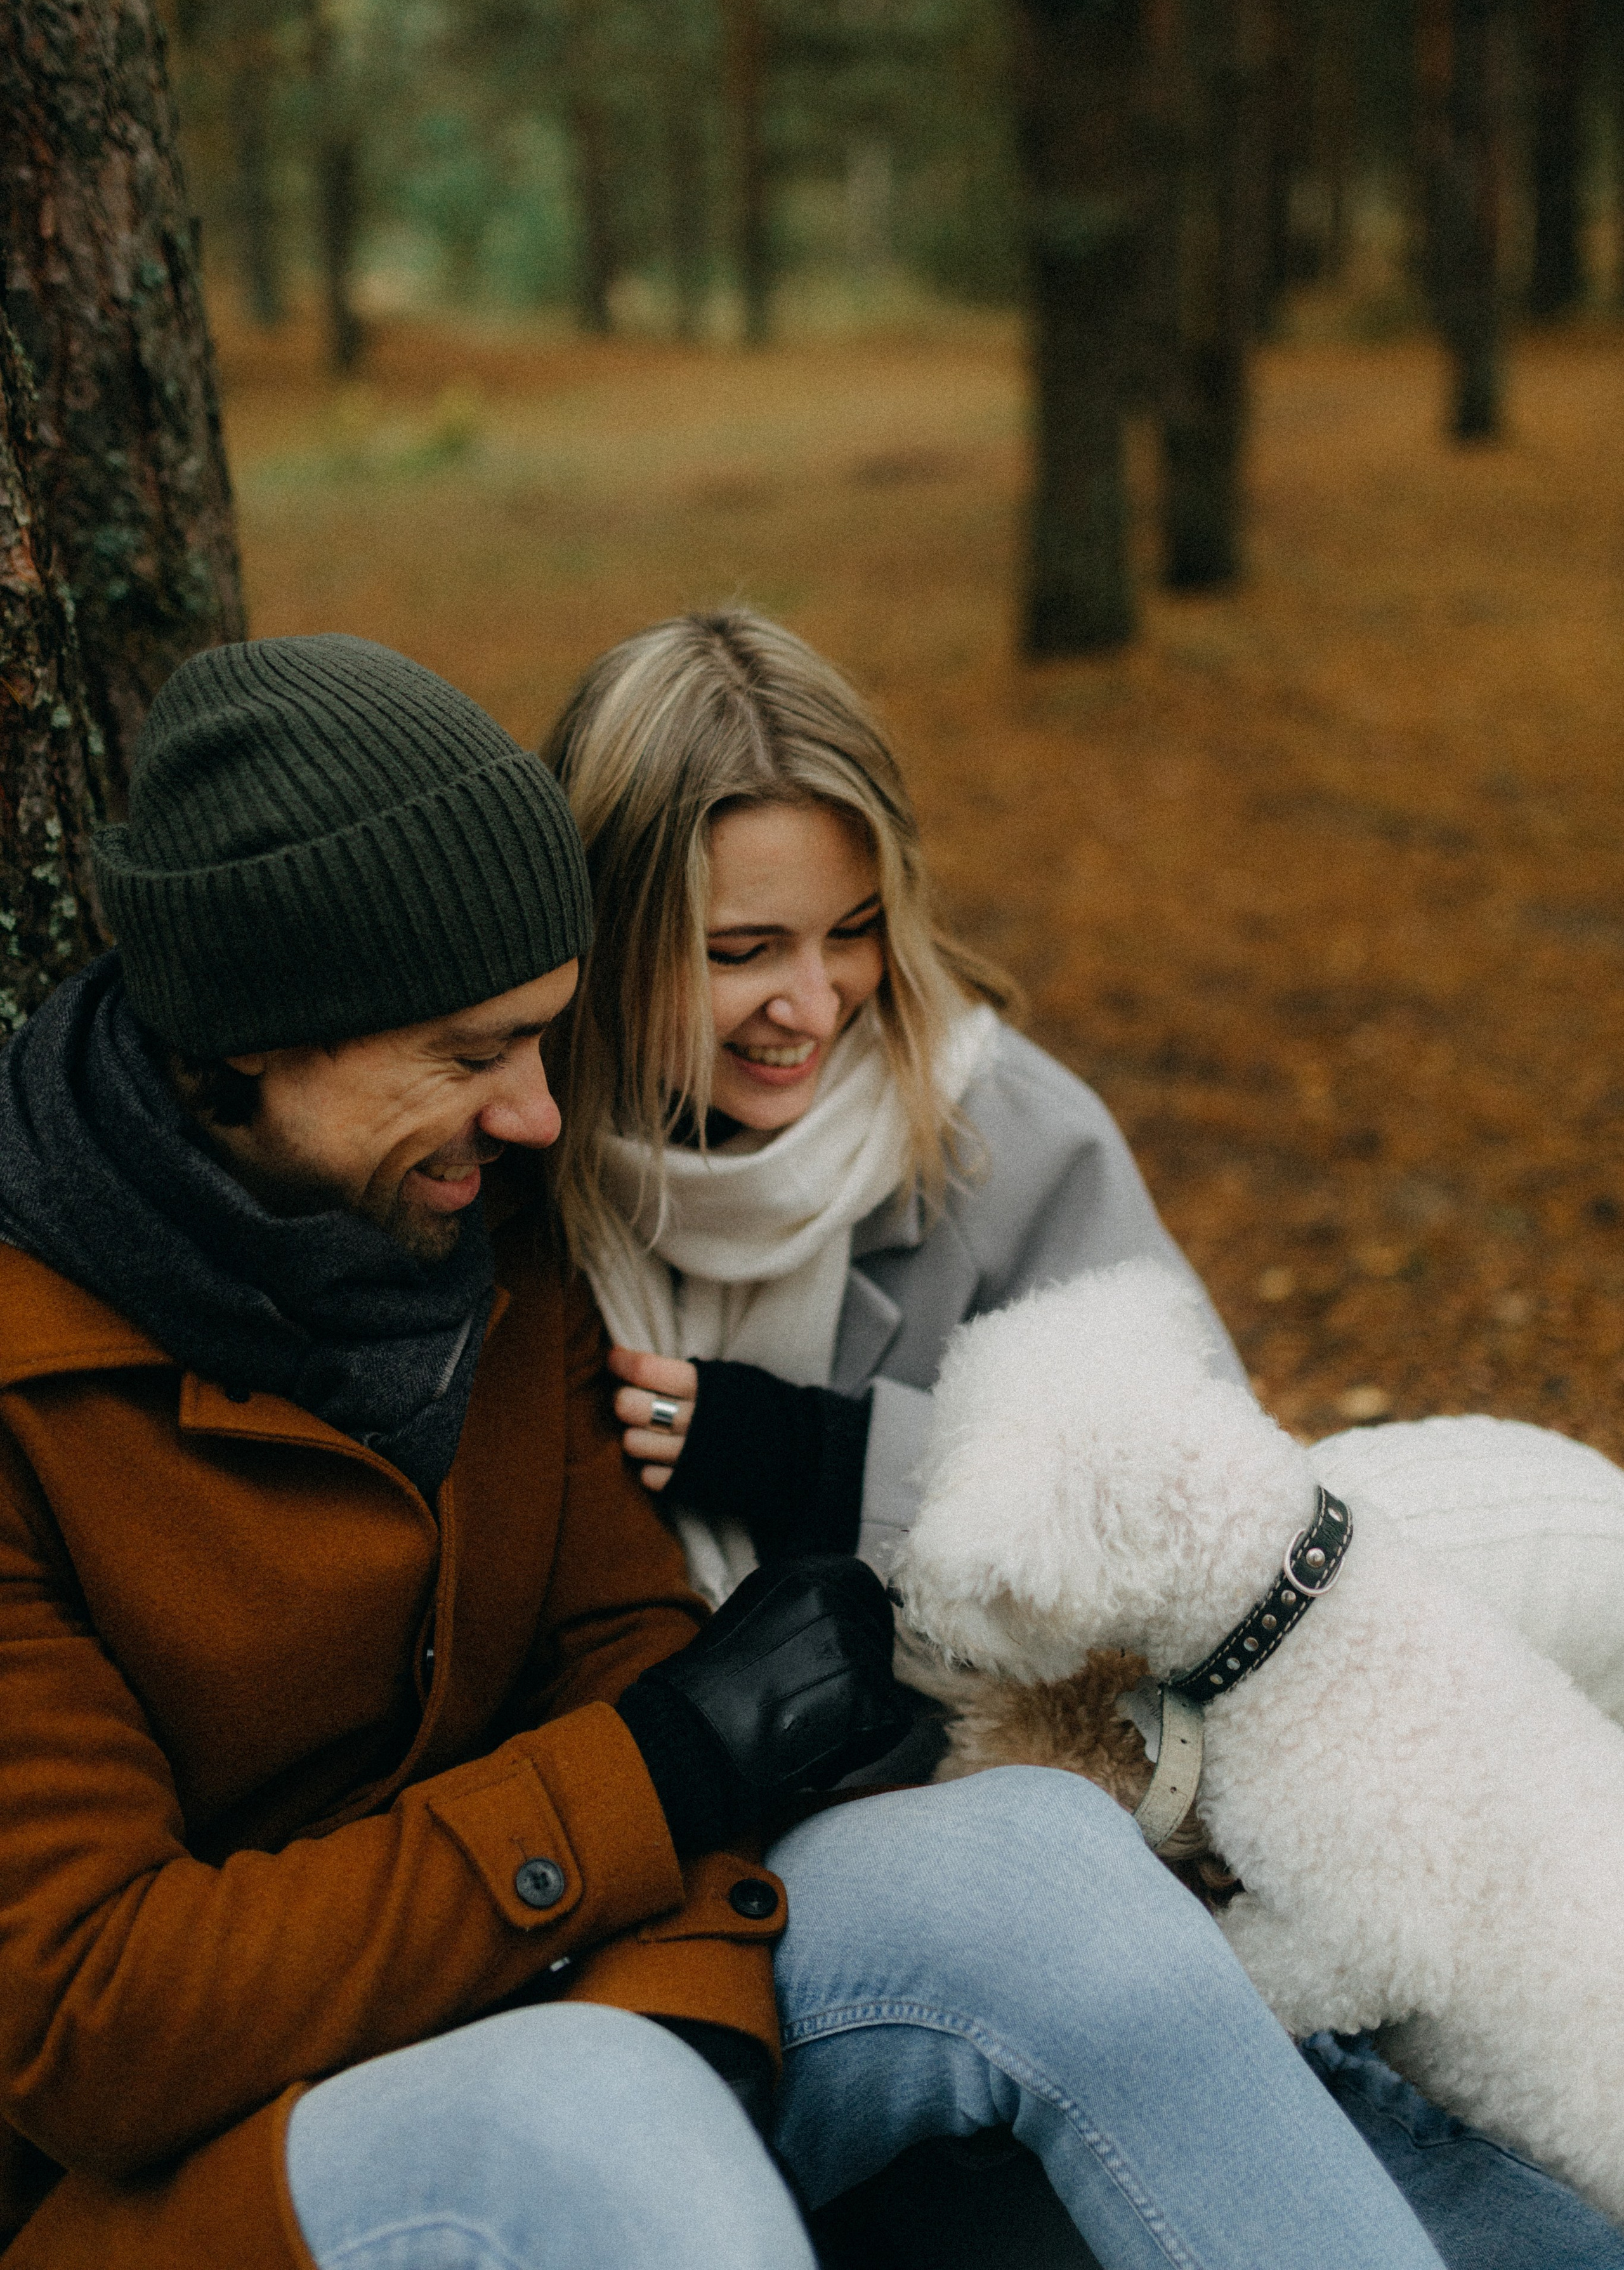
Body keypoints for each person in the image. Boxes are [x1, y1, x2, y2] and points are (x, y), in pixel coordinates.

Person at [0, 631, 1456, 2270]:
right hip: (229, 2166)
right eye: (471, 1056)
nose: (539, 1115)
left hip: (581, 1973)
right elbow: (91, 2026)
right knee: (598, 2110)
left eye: (542, 1043)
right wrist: (652, 1795)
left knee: (1038, 1867)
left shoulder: (480, 1224)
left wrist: (684, 2001)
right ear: (253, 1041)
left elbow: (627, 1653)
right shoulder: (33, 1395)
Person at [544, 605, 1624, 2270]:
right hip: (661, 1901)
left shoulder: (1004, 1136)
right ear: (612, 936)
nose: (811, 1003)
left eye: (853, 933)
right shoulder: (517, 1170)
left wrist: (832, 1463)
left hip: (1058, 1856)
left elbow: (1202, 1545)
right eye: (741, 949)